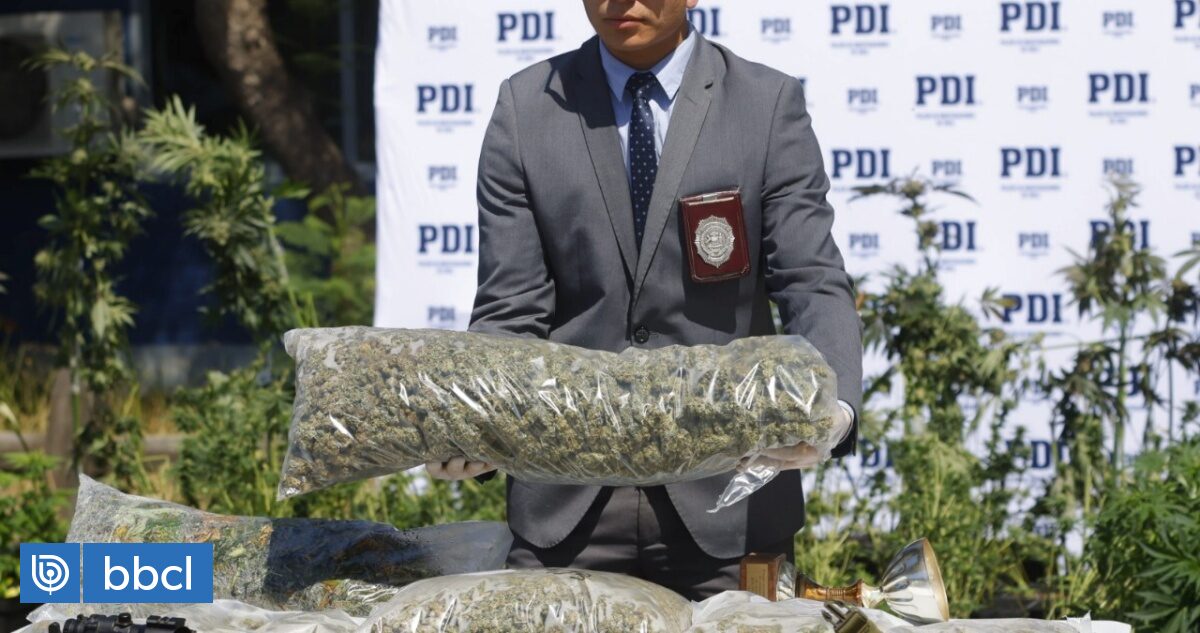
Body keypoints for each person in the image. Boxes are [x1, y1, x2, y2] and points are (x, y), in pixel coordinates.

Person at [425, 0, 862, 601]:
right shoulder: (527, 108)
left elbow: (810, 279)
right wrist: (474, 420)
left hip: (731, 499)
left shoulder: (765, 105)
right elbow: (511, 306)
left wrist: (834, 407)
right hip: (565, 504)